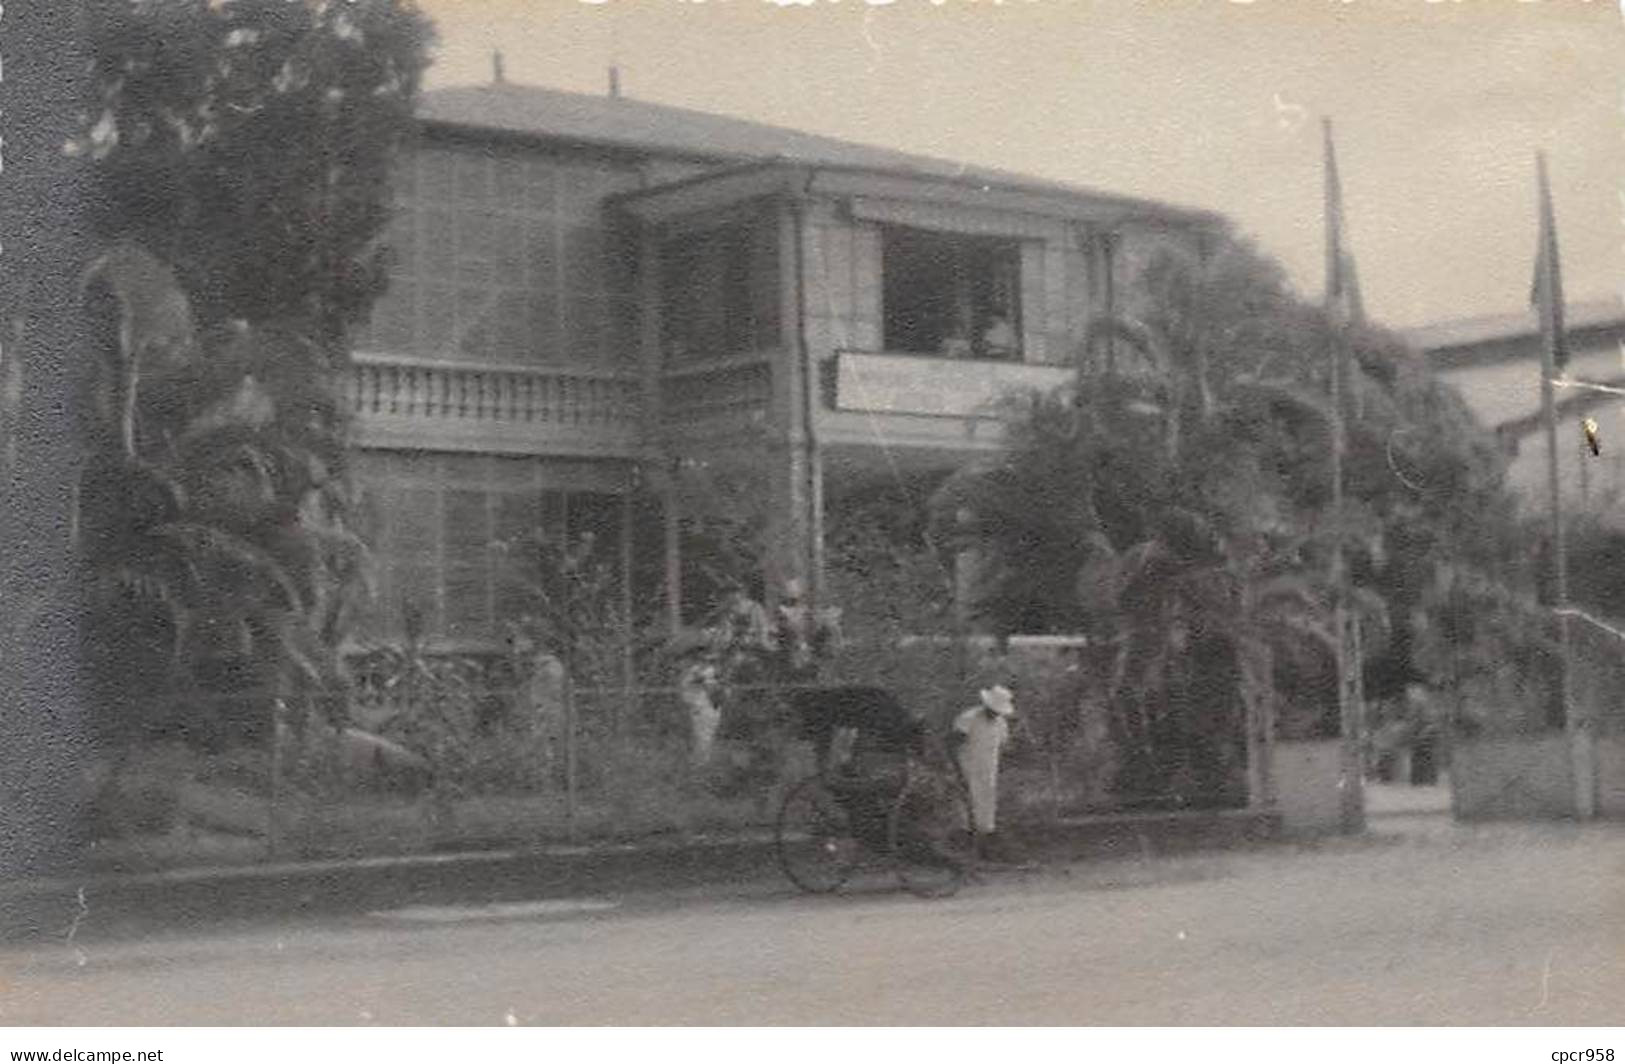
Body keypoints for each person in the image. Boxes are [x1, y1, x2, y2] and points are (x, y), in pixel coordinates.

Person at [949, 685, 1020, 863]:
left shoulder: (1001, 723)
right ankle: (964, 852)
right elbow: (953, 743)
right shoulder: (969, 718)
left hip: (988, 771)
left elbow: (1003, 746)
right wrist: (956, 770)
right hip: (966, 769)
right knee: (966, 812)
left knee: (986, 813)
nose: (994, 714)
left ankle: (983, 852)